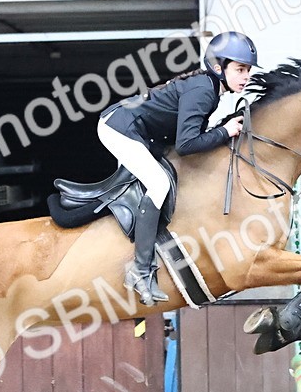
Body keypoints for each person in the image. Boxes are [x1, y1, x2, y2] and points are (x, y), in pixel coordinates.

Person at [97, 31, 259, 306]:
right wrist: (224, 131)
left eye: (248, 70)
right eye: (240, 69)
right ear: (219, 67)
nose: (246, 76)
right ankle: (140, 270)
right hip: (118, 127)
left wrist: (222, 130)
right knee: (158, 184)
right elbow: (186, 144)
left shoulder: (211, 89)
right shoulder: (204, 90)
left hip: (139, 131)